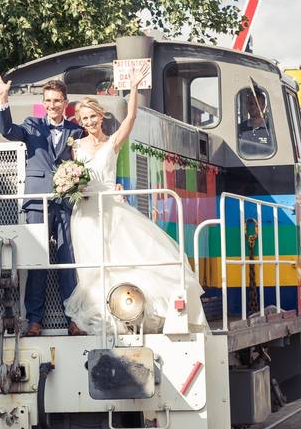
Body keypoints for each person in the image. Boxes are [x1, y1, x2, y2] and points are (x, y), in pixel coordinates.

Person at [63, 91, 207, 335]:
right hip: (86, 213)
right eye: (84, 119)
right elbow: (75, 175)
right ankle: (105, 317)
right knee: (94, 267)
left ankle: (131, 310)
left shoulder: (113, 142)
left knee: (125, 258)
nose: (88, 122)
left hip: (110, 207)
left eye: (92, 117)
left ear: (100, 116)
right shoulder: (76, 146)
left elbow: (130, 117)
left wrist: (133, 87)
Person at [0, 71, 85, 336]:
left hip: (66, 203)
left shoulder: (77, 131)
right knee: (37, 261)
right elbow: (7, 130)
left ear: (65, 103)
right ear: (44, 103)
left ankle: (73, 318)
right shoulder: (32, 125)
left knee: (67, 260)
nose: (52, 105)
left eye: (57, 100)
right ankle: (34, 320)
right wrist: (3, 98)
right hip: (37, 202)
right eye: (48, 100)